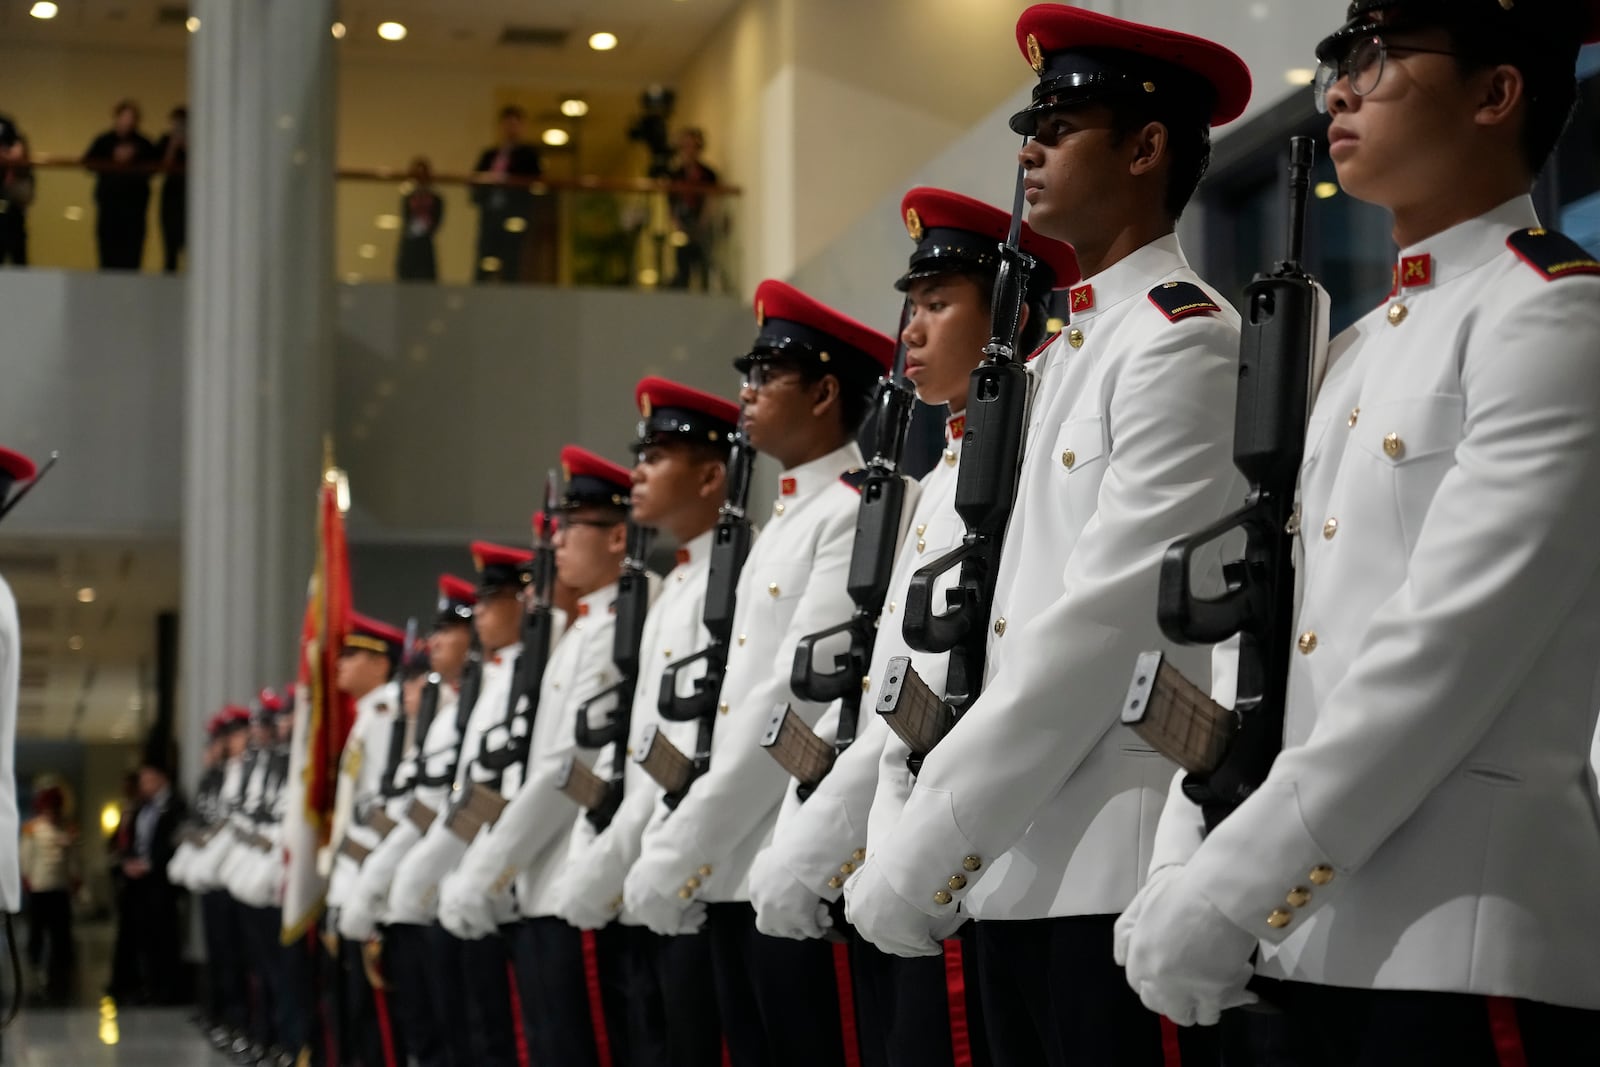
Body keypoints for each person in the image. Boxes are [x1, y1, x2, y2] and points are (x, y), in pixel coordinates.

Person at [1120, 1, 1600, 1063]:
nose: (1338, 88)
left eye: (1378, 59)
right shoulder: (1356, 345)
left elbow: (1445, 650)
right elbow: (1276, 640)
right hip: (1307, 939)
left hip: (1459, 940)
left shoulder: (1552, 315)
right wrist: (1184, 849)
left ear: (1494, 93)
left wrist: (1233, 882)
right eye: (1339, 58)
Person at [845, 7, 1252, 1066]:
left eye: (1061, 124)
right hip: (1007, 862)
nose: (1026, 145)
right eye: (1032, 122)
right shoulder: (1052, 361)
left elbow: (1106, 620)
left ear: (1145, 147)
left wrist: (939, 832)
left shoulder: (1182, 339)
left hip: (1101, 863)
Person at [749, 187, 1078, 1067]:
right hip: (912, 856)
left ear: (1007, 307)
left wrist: (908, 848)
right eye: (910, 307)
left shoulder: (1033, 439)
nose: (912, 331)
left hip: (996, 852)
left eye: (937, 304)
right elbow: (897, 695)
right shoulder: (937, 479)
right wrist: (835, 844)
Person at [624, 280, 894, 1067]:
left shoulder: (850, 510)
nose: (745, 391)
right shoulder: (782, 524)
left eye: (766, 373)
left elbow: (789, 704)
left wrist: (684, 846)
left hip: (791, 854)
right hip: (736, 860)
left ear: (824, 389)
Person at [440, 447, 636, 1067]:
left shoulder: (615, 624)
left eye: (572, 529)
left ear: (617, 536)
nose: (556, 545)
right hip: (538, 877)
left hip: (572, 870)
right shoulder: (579, 632)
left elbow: (566, 770)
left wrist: (488, 866)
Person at [386, 543, 537, 1067]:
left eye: (491, 602)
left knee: (503, 1032)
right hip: (470, 861)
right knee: (467, 1024)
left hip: (508, 867)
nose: (480, 617)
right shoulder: (483, 684)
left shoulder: (518, 673)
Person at [338, 574, 476, 1066]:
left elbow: (432, 808)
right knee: (422, 1028)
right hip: (408, 885)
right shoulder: (426, 721)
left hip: (444, 888)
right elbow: (391, 808)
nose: (410, 694)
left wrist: (375, 880)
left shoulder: (453, 713)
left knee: (454, 1032)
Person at [322, 613, 405, 1067]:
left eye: (352, 655)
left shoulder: (386, 714)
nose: (340, 664)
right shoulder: (367, 717)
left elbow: (381, 810)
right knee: (348, 1008)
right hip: (351, 875)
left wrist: (363, 881)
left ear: (380, 664)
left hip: (369, 877)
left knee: (373, 1017)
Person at [120, 752, 187, 1004]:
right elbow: (133, 839)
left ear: (161, 778)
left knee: (164, 938)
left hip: (161, 882)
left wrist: (150, 864)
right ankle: (146, 986)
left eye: (148, 778)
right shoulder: (141, 807)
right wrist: (130, 860)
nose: (144, 784)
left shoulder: (175, 805)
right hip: (140, 883)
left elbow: (173, 842)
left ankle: (165, 989)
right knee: (143, 937)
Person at [83, 99, 158, 271]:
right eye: (124, 117)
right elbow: (88, 163)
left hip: (135, 208)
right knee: (107, 250)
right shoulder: (104, 141)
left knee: (132, 252)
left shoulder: (144, 143)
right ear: (117, 118)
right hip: (109, 205)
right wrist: (113, 160)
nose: (128, 121)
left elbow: (155, 167)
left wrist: (133, 161)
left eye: (131, 118)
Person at [20, 784, 78, 1004]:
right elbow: (25, 857)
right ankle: (35, 965)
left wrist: (74, 878)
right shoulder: (31, 829)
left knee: (61, 933)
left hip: (59, 887)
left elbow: (72, 858)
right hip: (39, 887)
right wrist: (26, 878)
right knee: (37, 929)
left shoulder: (67, 828)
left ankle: (60, 972)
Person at [471, 105, 542, 283]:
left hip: (514, 216)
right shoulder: (489, 155)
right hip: (491, 214)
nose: (510, 128)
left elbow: (535, 182)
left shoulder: (528, 155)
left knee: (512, 257)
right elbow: (476, 181)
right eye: (507, 123)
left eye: (515, 124)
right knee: (486, 256)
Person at [667, 127, 720, 291]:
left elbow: (712, 200)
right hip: (683, 223)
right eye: (685, 146)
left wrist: (703, 222)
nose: (689, 150)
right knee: (682, 261)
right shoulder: (676, 174)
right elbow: (671, 202)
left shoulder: (708, 174)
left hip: (701, 224)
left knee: (703, 262)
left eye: (693, 146)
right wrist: (676, 222)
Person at [397, 156, 444, 282]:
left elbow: (437, 222)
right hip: (409, 247)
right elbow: (405, 219)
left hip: (425, 248)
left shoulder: (436, 199)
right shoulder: (407, 197)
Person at [154, 105, 187, 273]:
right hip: (171, 197)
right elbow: (162, 167)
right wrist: (173, 146)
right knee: (170, 242)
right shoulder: (165, 141)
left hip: (189, 197)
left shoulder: (199, 141)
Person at [0, 114, 33, 266]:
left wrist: (15, 164)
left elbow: (25, 196)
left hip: (12, 213)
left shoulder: (20, 169)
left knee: (18, 257)